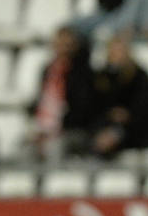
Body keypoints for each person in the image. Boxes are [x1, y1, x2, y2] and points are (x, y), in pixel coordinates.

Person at [30, 26, 99, 160]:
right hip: (47, 128)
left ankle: (55, 180)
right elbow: (42, 102)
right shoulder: (48, 71)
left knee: (54, 147)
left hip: (73, 131)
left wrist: (57, 129)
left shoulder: (83, 74)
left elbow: (83, 109)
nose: (62, 49)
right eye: (59, 44)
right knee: (25, 149)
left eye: (67, 45)